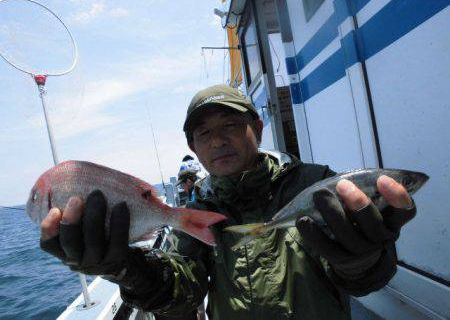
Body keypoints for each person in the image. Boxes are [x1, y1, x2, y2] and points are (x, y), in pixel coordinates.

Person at [40, 85, 417, 319]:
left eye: (230, 126)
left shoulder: (315, 184)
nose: (217, 141)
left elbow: (365, 281)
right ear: (194, 149)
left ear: (258, 128)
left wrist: (365, 260)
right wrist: (124, 268)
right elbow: (182, 293)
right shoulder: (198, 211)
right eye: (203, 133)